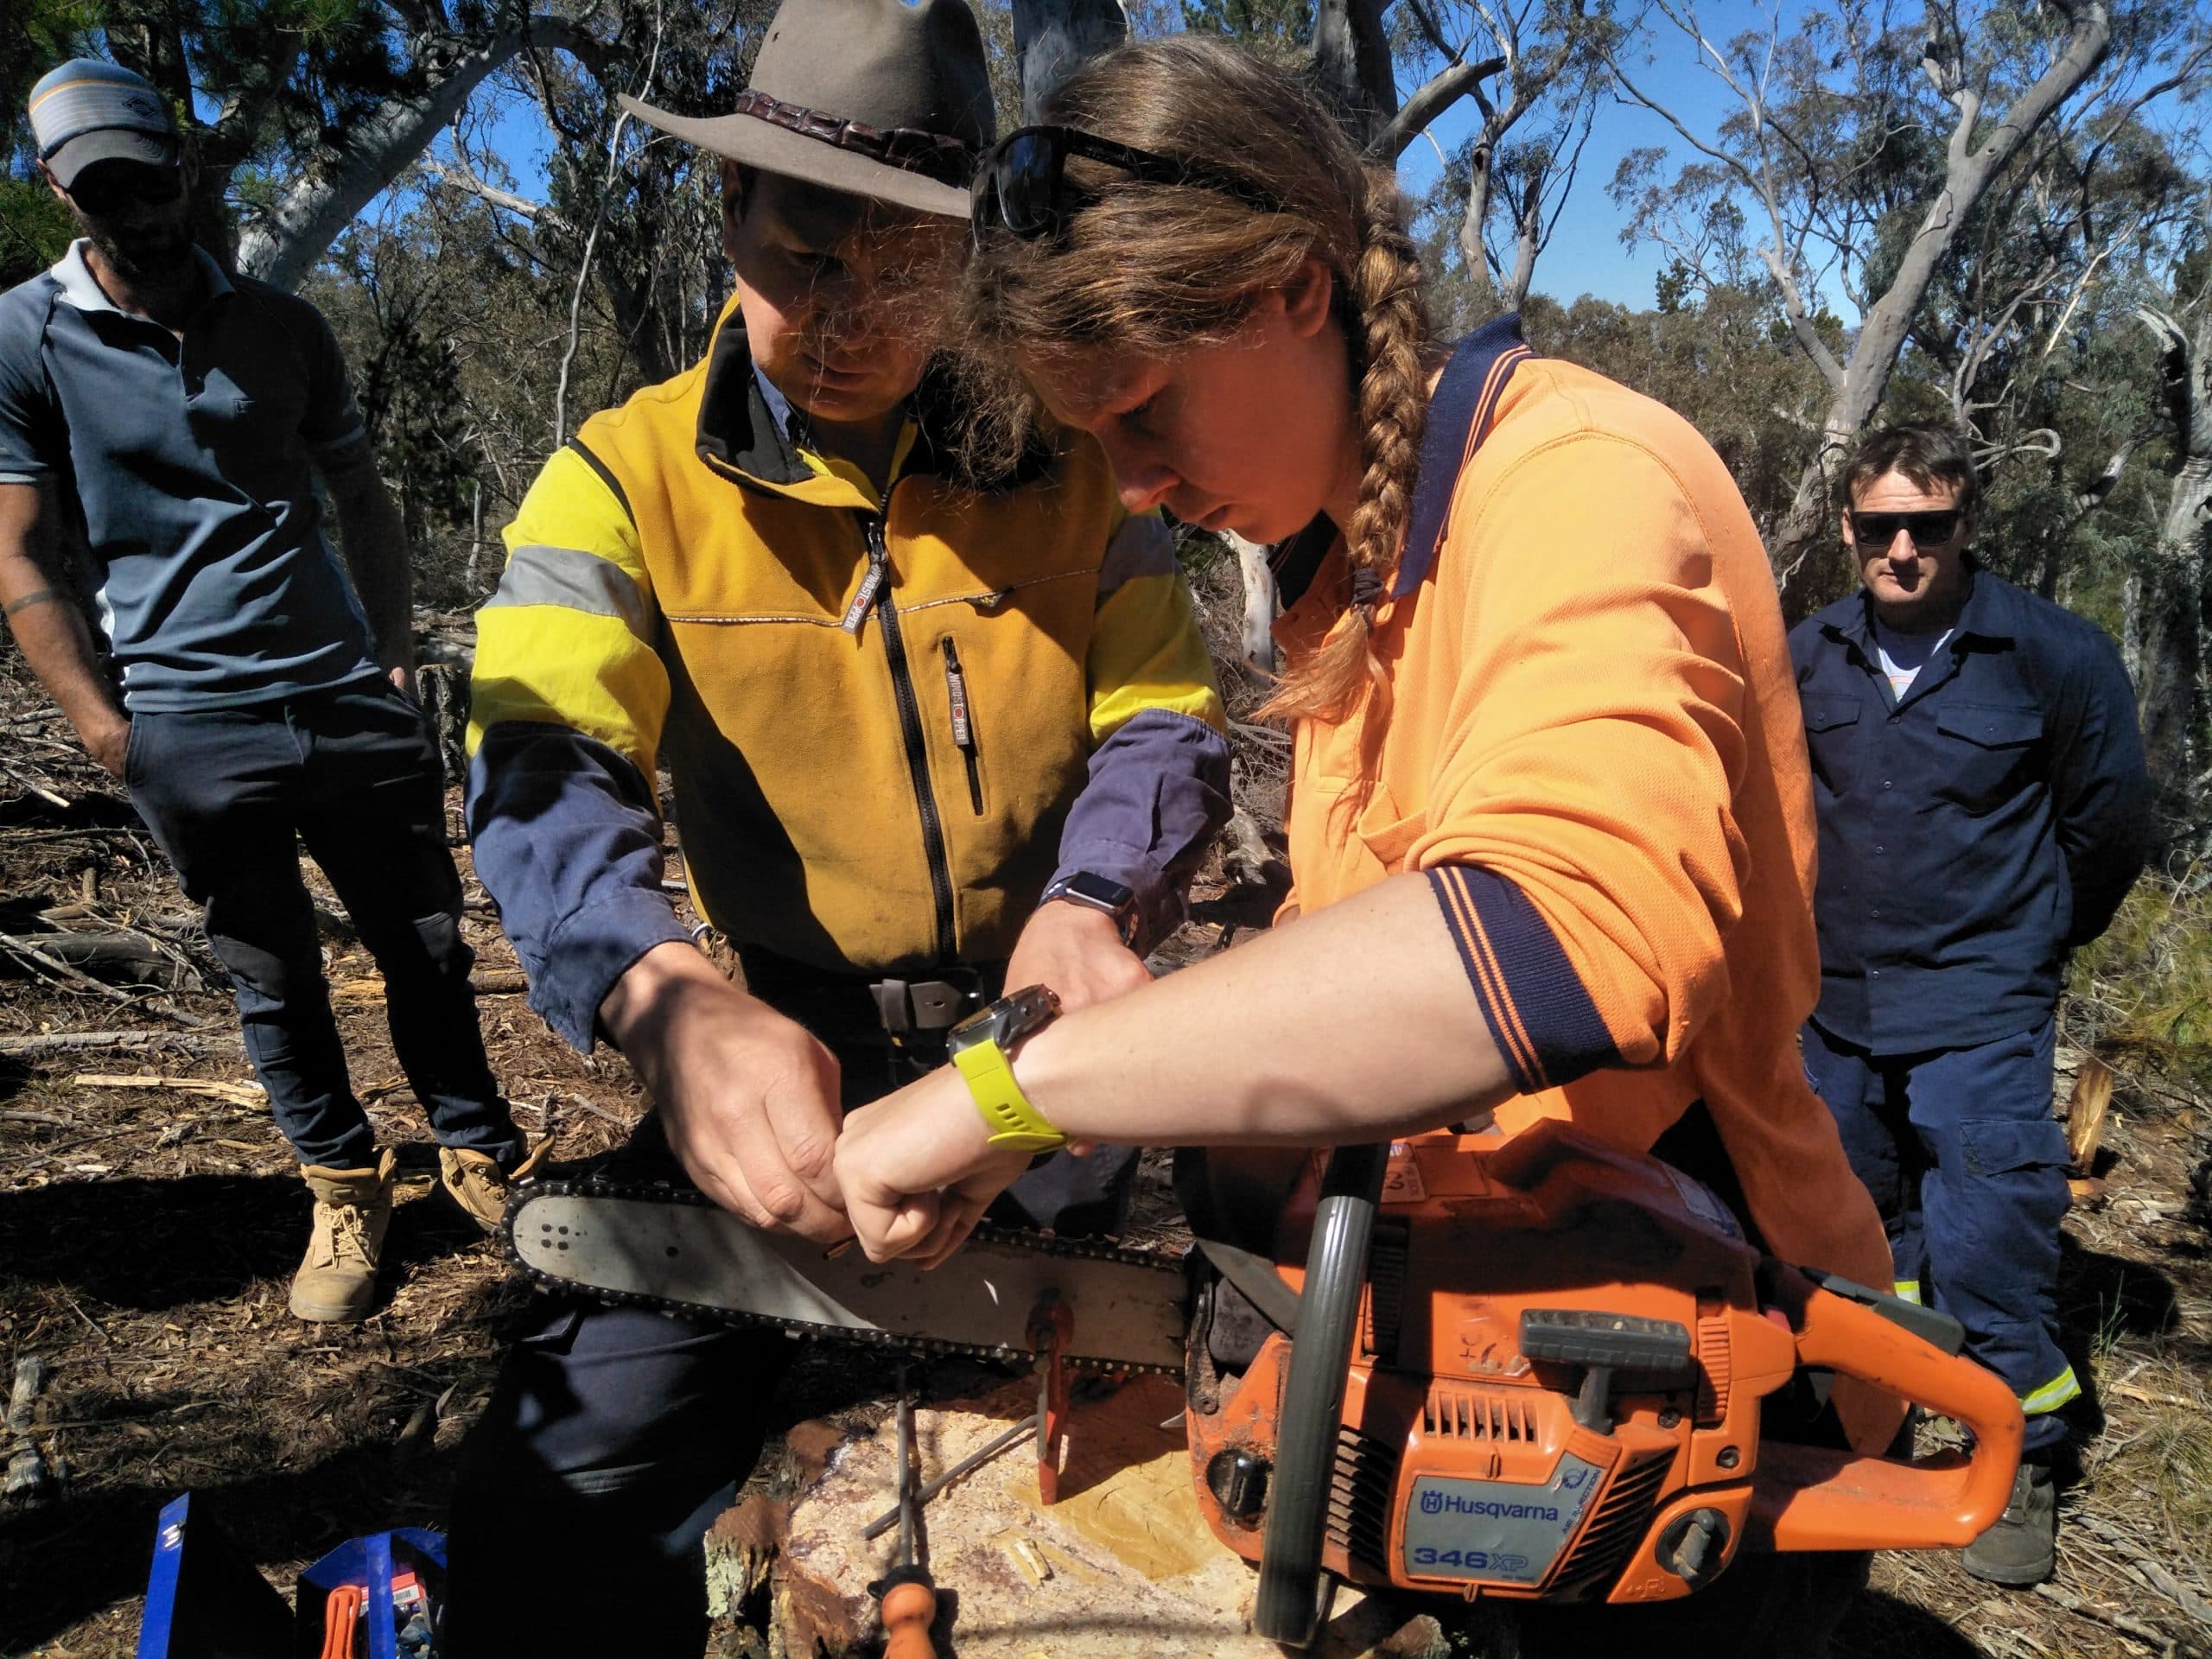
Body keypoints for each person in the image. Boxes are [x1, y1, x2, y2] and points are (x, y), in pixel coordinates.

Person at [831, 37, 1909, 1655]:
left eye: (1139, 407)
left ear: (1291, 286)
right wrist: (1120, 1009)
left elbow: (1559, 934)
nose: (1135, 481)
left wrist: (1000, 1097)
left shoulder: (1571, 482)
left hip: (1685, 1348)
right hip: (1483, 1329)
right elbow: (1386, 962)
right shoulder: (1360, 573)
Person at [440, 2, 1230, 1650]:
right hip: (774, 1058)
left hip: (1042, 1051)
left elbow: (1160, 714)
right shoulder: (619, 483)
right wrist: (658, 997)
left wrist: (1097, 903)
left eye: (905, 266)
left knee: (1143, 1467)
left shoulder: (1079, 461)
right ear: (730, 215)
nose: (848, 314)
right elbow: (533, 756)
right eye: (804, 252)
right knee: (557, 1503)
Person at [0, 59, 537, 1325]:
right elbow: (20, 554)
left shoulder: (284, 326)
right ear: (60, 187)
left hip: (342, 694)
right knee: (271, 971)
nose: (136, 210)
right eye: (104, 188)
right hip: (186, 719)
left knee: (426, 949)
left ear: (184, 167)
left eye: (150, 177)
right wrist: (103, 726)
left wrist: (395, 654)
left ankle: (479, 1154)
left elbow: (361, 494)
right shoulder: (26, 338)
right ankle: (344, 1183)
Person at [1786, 423, 2150, 1585]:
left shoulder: (2054, 656)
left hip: (1983, 1007)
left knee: (1988, 1242)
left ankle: (2022, 1457)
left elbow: (2110, 831)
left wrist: (2030, 946)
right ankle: (1873, 1414)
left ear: (1964, 529)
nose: (1903, 548)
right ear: (1848, 529)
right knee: (1857, 1236)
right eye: (1880, 525)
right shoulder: (1805, 657)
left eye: (1927, 526)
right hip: (1835, 1005)